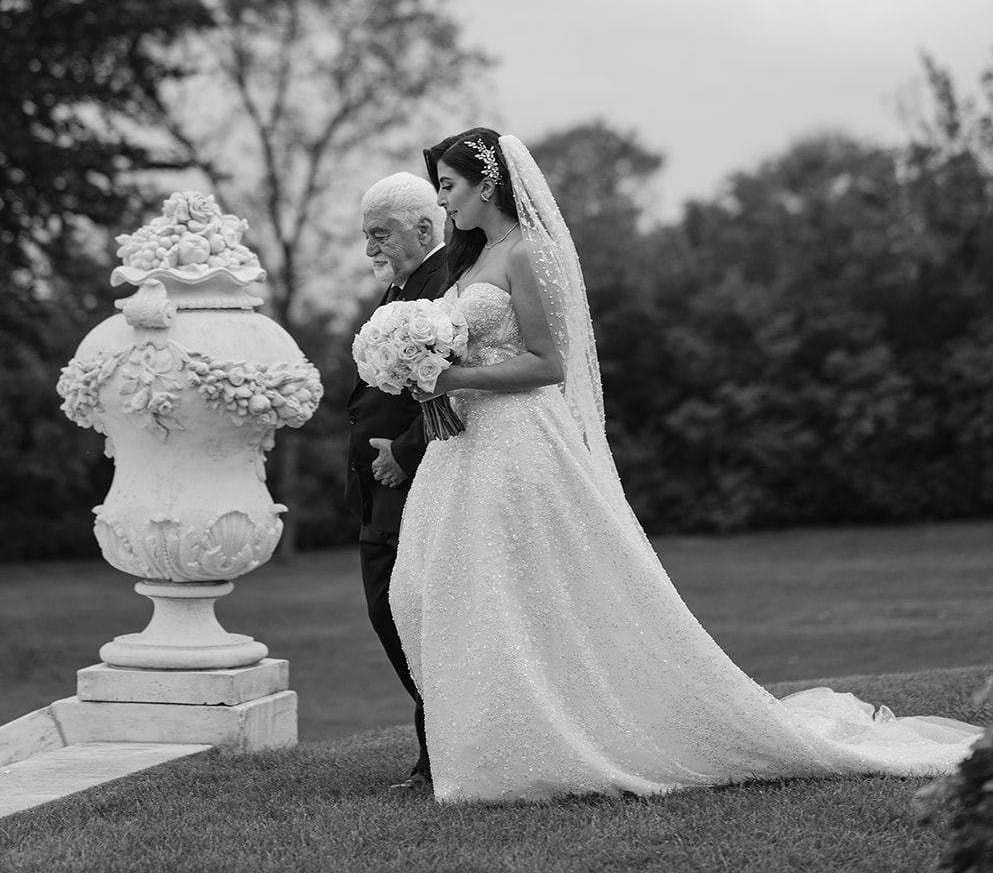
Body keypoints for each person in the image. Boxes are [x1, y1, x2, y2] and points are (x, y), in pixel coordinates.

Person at [388, 127, 982, 804]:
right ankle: (495, 744)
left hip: (518, 441)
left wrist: (453, 378)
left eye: (448, 187)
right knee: (426, 588)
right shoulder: (470, 260)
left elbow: (549, 364)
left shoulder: (526, 252)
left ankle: (538, 749)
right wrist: (421, 367)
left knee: (507, 589)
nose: (443, 201)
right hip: (465, 446)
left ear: (486, 183)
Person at [346, 171, 448, 790]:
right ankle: (440, 751)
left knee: (415, 621)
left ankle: (438, 758)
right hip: (376, 491)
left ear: (424, 229)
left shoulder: (451, 284)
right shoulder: (401, 287)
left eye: (380, 235)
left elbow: (457, 383)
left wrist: (405, 452)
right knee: (392, 619)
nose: (370, 249)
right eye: (367, 235)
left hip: (417, 483)